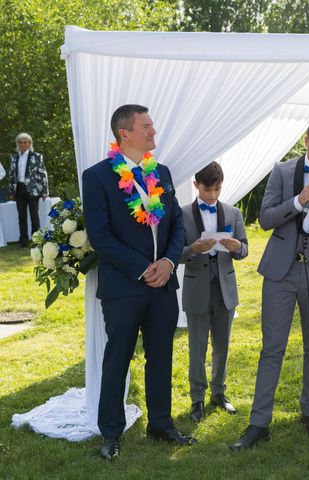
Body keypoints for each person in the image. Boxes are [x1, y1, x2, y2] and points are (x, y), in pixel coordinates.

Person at [230, 117, 309, 450]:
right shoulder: (283, 172)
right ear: (305, 140)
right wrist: (298, 202)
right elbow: (265, 218)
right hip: (280, 272)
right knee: (272, 347)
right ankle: (258, 422)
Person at [82, 104, 194, 460]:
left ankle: (161, 423)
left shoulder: (161, 172)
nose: (153, 133)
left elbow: (177, 225)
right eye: (147, 127)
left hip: (164, 283)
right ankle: (111, 432)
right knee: (118, 359)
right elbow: (100, 235)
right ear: (124, 134)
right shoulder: (97, 176)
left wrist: (168, 262)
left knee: (161, 356)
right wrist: (144, 267)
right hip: (124, 285)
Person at [179, 161, 248, 422]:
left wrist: (235, 247)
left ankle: (219, 392)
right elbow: (174, 253)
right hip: (196, 289)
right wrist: (193, 250)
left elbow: (244, 250)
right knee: (197, 347)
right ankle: (197, 398)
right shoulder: (182, 214)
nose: (213, 195)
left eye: (217, 189)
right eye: (208, 190)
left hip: (225, 289)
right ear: (196, 185)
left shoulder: (233, 213)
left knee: (222, 345)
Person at [7, 133, 48, 246]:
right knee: (21, 216)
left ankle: (36, 241)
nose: (22, 144)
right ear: (17, 144)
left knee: (34, 216)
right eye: (20, 142)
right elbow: (11, 175)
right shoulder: (14, 157)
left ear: (29, 144)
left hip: (33, 190)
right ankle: (23, 240)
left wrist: (45, 191)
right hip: (19, 189)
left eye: (25, 142)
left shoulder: (37, 156)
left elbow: (43, 174)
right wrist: (11, 191)